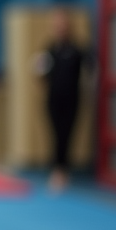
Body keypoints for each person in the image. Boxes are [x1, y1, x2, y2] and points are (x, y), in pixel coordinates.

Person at [36, 10, 89, 192]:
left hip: (72, 99)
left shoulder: (76, 50)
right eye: (57, 26)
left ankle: (62, 170)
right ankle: (56, 168)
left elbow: (90, 69)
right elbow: (41, 74)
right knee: (56, 133)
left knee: (67, 134)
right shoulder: (50, 50)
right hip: (53, 99)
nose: (60, 29)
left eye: (63, 25)